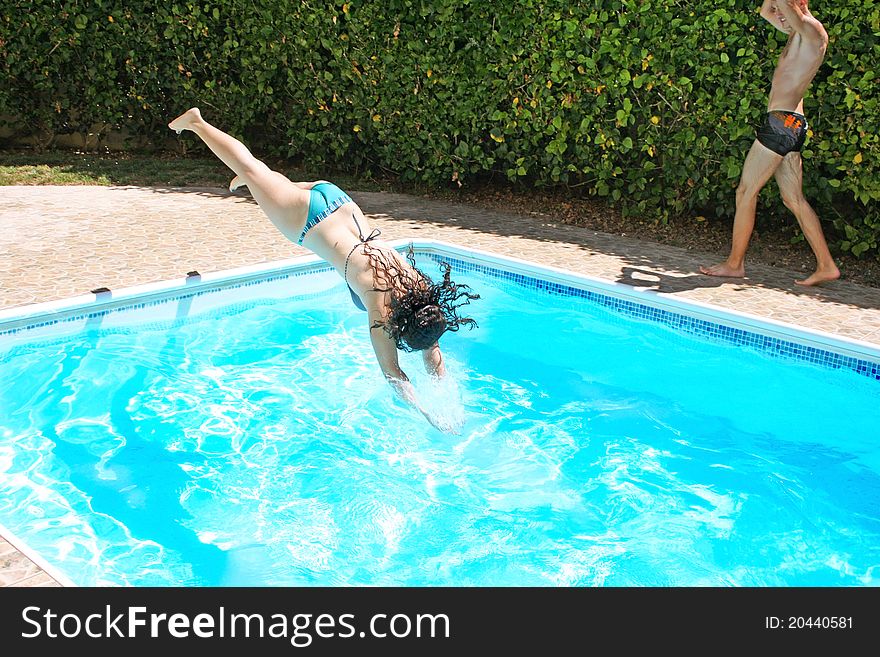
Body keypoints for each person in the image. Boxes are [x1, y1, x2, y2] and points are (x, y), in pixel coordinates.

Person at [168, 108, 479, 433]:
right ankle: (197, 123)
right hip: (307, 223)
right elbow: (393, 374)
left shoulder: (419, 291)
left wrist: (452, 402)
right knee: (251, 166)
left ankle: (260, 182)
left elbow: (432, 346)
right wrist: (429, 416)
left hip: (338, 200)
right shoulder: (382, 309)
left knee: (267, 178)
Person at [700, 0, 839, 287]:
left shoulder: (811, 30)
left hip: (783, 124)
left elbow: (787, 11)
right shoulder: (796, 34)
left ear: (799, 3)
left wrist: (785, 7)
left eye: (783, 9)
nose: (778, 16)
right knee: (793, 199)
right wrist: (775, 8)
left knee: (745, 191)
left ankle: (734, 264)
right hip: (789, 124)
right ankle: (827, 265)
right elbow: (765, 11)